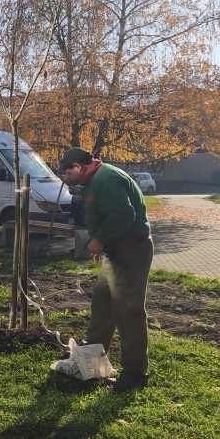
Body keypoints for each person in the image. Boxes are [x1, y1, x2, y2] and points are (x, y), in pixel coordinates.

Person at [59, 147, 153, 391]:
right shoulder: (96, 179)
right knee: (102, 306)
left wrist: (100, 239)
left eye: (70, 173)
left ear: (79, 166)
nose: (70, 178)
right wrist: (101, 242)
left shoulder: (107, 178)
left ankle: (135, 376)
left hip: (130, 253)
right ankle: (91, 363)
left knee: (128, 313)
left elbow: (123, 215)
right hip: (115, 252)